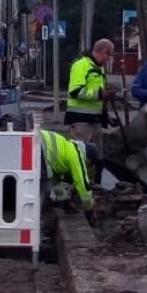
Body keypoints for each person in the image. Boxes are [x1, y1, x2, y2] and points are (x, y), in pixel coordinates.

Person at [64, 38, 118, 183]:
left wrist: (106, 117)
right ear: (102, 52)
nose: (109, 59)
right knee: (79, 156)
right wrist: (101, 94)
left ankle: (95, 186)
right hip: (81, 121)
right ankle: (74, 187)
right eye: (109, 54)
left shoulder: (98, 68)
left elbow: (97, 96)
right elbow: (75, 91)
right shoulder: (82, 65)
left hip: (95, 120)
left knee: (98, 157)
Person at [39, 129, 97, 213]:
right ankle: (37, 218)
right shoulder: (77, 154)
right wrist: (89, 206)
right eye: (88, 164)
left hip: (36, 140)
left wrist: (63, 200)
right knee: (43, 190)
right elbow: (82, 183)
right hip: (40, 147)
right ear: (87, 158)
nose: (86, 166)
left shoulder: (66, 149)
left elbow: (56, 182)